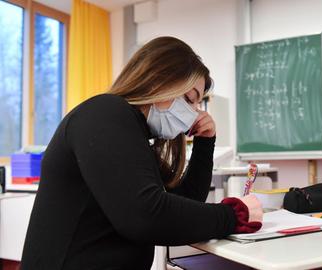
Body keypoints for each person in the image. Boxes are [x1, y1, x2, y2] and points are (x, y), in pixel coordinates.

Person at [21, 37, 263, 270]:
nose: (195, 113)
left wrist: (204, 143)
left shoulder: (133, 132)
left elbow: (182, 207)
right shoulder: (104, 113)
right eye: (190, 99)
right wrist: (234, 215)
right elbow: (147, 216)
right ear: (158, 80)